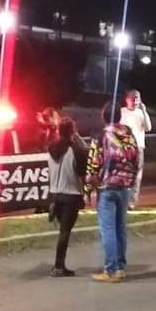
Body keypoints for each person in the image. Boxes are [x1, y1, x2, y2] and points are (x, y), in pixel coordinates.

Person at [85, 113, 139, 283]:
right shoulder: (129, 135)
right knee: (120, 227)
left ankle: (110, 270)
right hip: (125, 187)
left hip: (107, 188)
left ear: (103, 117)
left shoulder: (101, 136)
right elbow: (136, 159)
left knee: (108, 229)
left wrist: (88, 186)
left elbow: (94, 163)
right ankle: (121, 267)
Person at [46, 117, 88, 277]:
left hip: (55, 195)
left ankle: (59, 265)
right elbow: (83, 173)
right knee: (65, 232)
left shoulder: (50, 148)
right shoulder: (75, 150)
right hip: (71, 194)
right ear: (73, 131)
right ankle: (59, 266)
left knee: (61, 231)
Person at [117, 89, 152, 207]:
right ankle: (122, 199)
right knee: (123, 173)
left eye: (137, 98)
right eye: (133, 98)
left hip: (138, 147)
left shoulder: (142, 113)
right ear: (127, 100)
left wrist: (145, 111)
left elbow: (148, 128)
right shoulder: (122, 112)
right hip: (124, 148)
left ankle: (131, 202)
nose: (135, 101)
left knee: (137, 176)